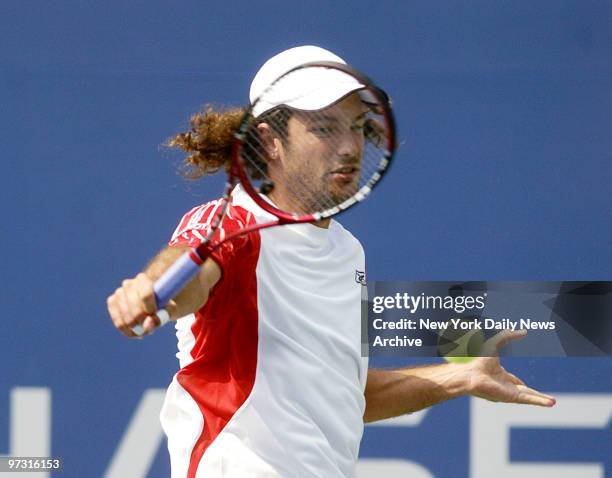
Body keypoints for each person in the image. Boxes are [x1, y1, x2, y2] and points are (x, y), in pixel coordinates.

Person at [106, 45, 556, 478]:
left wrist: (462, 376)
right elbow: (190, 268)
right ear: (270, 142)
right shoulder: (235, 224)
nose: (349, 147)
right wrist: (151, 288)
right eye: (324, 129)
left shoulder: (347, 251)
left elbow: (344, 397)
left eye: (358, 126)